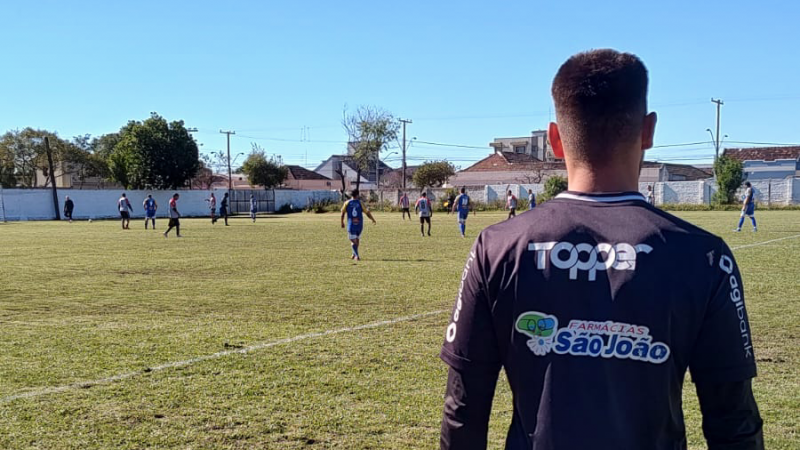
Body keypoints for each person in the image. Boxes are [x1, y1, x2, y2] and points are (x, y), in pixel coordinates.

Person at [440, 49, 762, 450]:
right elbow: (734, 420)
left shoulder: (498, 246)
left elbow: (463, 408)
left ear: (555, 139)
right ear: (648, 131)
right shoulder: (705, 256)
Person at [340, 189, 376, 261]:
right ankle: (354, 253)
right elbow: (367, 212)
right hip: (359, 225)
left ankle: (357, 255)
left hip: (351, 225)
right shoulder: (360, 203)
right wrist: (372, 219)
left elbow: (342, 213)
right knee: (356, 240)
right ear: (357, 195)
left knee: (353, 240)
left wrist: (342, 222)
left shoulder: (347, 203)